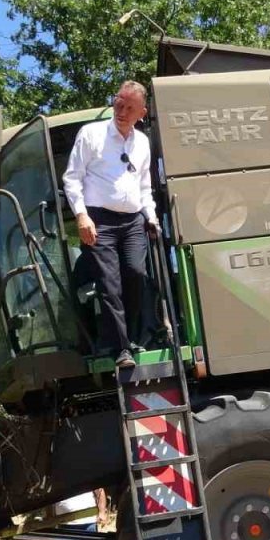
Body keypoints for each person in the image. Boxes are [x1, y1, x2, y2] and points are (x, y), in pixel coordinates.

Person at [62, 80, 160, 368]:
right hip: (99, 221)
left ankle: (131, 336)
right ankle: (121, 349)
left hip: (132, 221)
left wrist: (151, 218)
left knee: (136, 272)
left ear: (142, 113)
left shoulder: (142, 142)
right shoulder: (91, 134)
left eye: (130, 107)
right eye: (119, 103)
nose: (122, 110)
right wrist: (81, 215)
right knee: (109, 284)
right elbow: (71, 178)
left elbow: (145, 187)